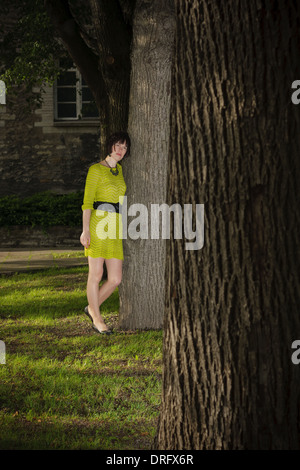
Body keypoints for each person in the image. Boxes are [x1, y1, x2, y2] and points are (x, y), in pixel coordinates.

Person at [80, 131, 130, 334]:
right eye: (118, 145)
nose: (121, 151)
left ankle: (92, 308)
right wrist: (85, 231)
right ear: (110, 146)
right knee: (96, 274)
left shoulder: (120, 171)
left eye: (125, 148)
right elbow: (86, 203)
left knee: (115, 279)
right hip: (98, 226)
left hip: (115, 228)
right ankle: (98, 320)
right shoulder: (95, 170)